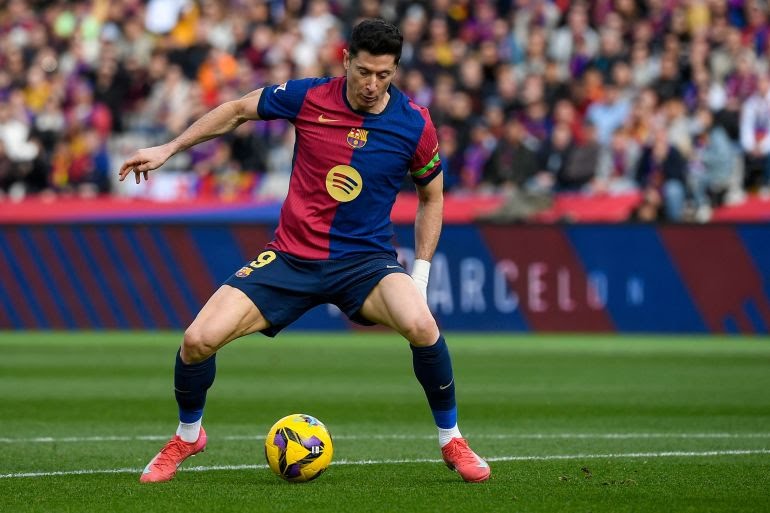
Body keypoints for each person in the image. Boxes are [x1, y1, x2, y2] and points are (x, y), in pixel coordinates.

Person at [118, 19, 490, 484]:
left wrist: (420, 276)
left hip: (365, 264)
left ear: (395, 70)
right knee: (197, 341)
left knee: (422, 325)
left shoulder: (414, 123)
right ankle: (188, 435)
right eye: (364, 72)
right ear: (346, 60)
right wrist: (169, 148)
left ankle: (452, 440)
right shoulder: (309, 96)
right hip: (291, 257)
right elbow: (236, 110)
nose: (372, 84)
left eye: (384, 75)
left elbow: (432, 197)